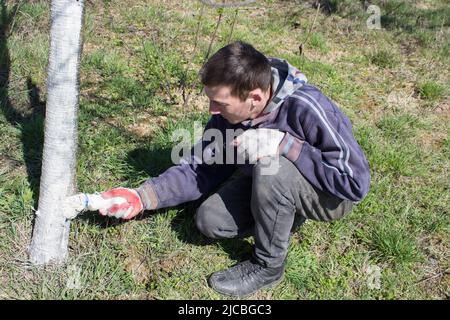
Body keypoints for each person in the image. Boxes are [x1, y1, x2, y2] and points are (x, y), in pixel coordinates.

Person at [96, 41, 371, 297]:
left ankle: (268, 266)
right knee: (210, 221)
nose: (212, 109)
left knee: (270, 167)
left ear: (254, 97)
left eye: (220, 103)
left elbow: (354, 184)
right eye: (211, 99)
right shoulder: (227, 115)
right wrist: (143, 197)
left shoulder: (307, 108)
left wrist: (287, 144)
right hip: (269, 179)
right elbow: (201, 167)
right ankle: (283, 211)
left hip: (329, 194)